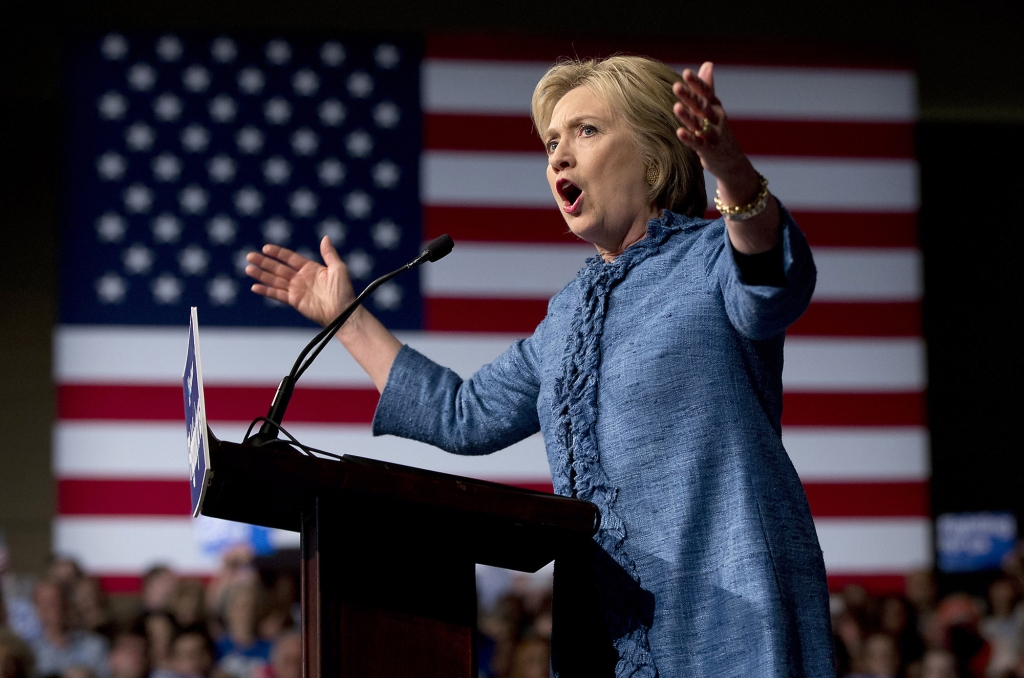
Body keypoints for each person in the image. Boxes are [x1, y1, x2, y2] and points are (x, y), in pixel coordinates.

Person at [246, 55, 832, 676]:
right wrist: (347, 315)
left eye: (585, 131)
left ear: (657, 153)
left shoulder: (712, 259)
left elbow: (773, 280)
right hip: (604, 633)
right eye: (551, 140)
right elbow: (463, 416)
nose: (557, 156)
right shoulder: (567, 315)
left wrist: (732, 171)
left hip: (731, 617)